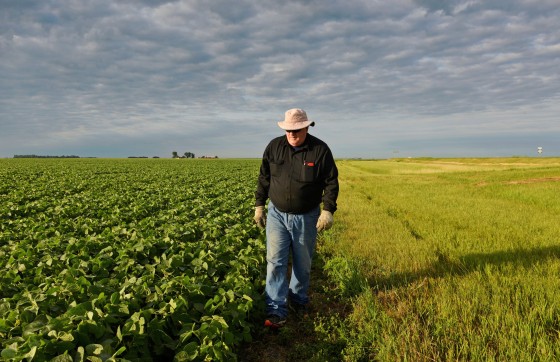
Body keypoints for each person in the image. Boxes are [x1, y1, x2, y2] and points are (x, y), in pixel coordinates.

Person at [254, 108, 339, 329]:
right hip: (277, 215)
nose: (292, 134)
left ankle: (298, 301)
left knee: (303, 263)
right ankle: (276, 310)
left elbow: (331, 182)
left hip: (306, 216)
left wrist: (327, 210)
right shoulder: (274, 147)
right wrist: (259, 206)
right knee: (275, 262)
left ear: (306, 127)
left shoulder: (320, 150)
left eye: (297, 130)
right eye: (288, 130)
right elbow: (264, 177)